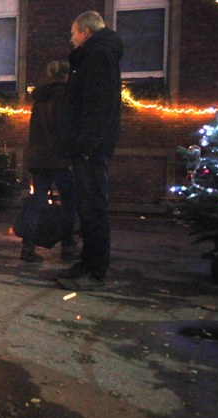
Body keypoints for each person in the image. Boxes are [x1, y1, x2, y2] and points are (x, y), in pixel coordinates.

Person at [56, 10, 124, 291]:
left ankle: (95, 271)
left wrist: (86, 146)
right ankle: (87, 263)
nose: (71, 39)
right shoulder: (93, 57)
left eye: (74, 33)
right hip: (86, 148)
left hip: (91, 150)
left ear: (85, 31)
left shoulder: (98, 57)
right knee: (86, 208)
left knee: (94, 208)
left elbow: (98, 106)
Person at [18, 61, 79, 263]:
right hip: (60, 158)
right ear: (64, 75)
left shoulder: (40, 99)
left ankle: (27, 247)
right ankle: (68, 246)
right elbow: (66, 128)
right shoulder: (64, 96)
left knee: (36, 204)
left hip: (39, 157)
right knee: (69, 203)